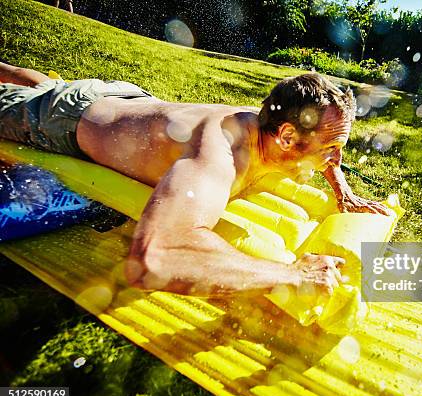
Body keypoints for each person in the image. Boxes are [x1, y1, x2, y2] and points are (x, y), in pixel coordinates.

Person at [0, 62, 390, 297]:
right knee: (37, 94)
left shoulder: (271, 123)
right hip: (62, 119)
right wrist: (291, 274)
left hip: (125, 97)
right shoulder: (218, 156)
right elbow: (154, 258)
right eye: (332, 148)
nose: (336, 159)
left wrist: (344, 191)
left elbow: (322, 150)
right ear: (287, 136)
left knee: (43, 81)